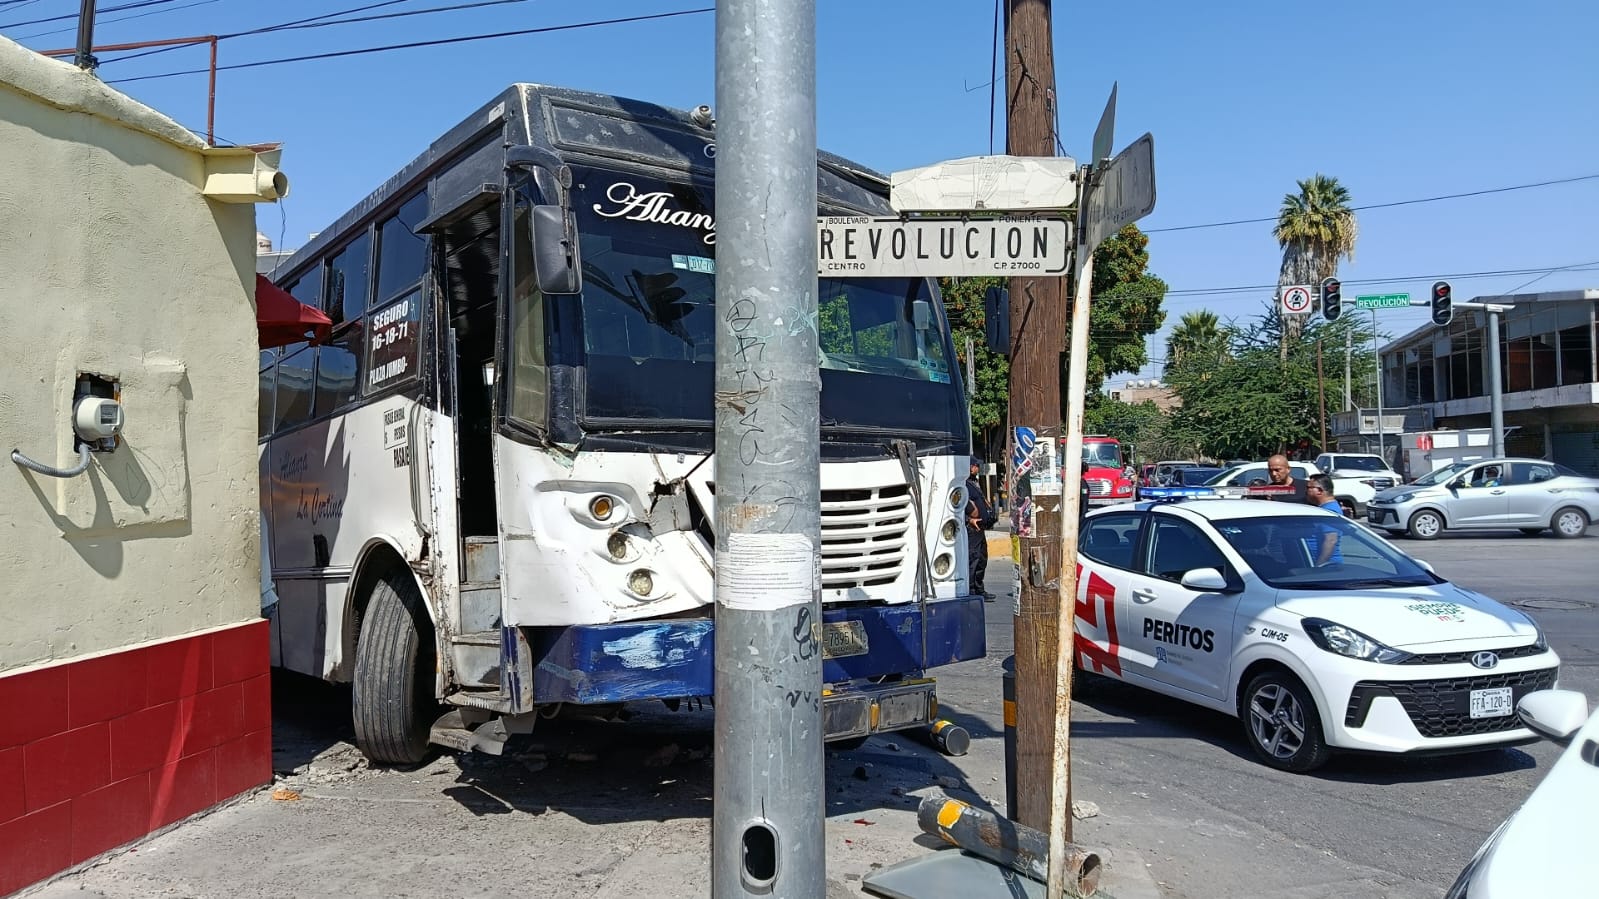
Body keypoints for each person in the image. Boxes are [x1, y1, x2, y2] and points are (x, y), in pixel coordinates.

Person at [966, 456, 997, 601]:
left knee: (982, 559)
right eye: (976, 466)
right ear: (970, 467)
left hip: (980, 528)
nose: (977, 468)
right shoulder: (963, 484)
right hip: (972, 528)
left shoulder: (974, 482)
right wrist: (969, 519)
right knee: (973, 558)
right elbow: (958, 507)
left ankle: (979, 588)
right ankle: (971, 590)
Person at [1303, 473, 1344, 566]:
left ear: (1319, 490)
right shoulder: (1325, 509)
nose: (1306, 491)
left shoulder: (1330, 511)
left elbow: (1331, 540)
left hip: (1328, 566)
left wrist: (1320, 566)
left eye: (1308, 488)